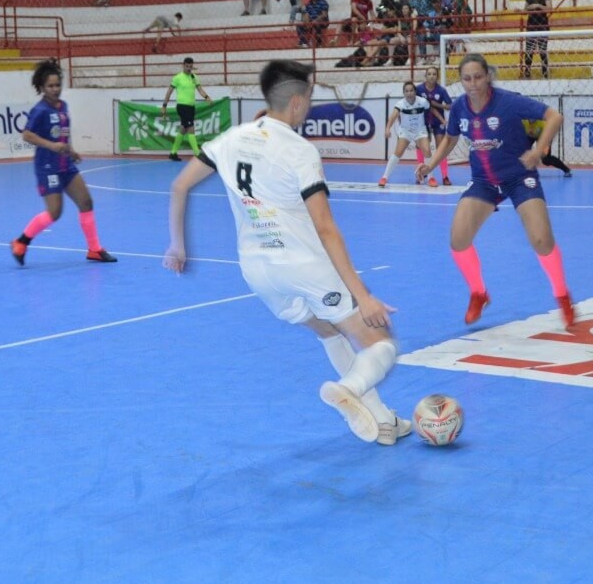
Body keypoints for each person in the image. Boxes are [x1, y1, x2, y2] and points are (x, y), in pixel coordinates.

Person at [164, 59, 411, 445]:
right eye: (309, 97)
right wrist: (363, 296)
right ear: (296, 102)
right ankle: (349, 387)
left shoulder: (230, 139)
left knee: (328, 329)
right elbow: (326, 228)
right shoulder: (300, 151)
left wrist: (177, 245)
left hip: (258, 272)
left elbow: (179, 187)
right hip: (303, 266)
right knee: (381, 340)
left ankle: (382, 422)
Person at [417, 53, 576, 327]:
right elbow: (451, 139)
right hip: (484, 181)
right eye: (467, 78)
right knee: (458, 238)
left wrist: (539, 149)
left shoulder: (509, 102)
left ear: (488, 76)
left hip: (519, 176)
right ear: (461, 81)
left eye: (478, 77)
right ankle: (479, 293)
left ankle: (562, 295)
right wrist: (431, 164)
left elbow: (554, 116)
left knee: (541, 240)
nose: (473, 83)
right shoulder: (459, 107)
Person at [10, 59, 118, 266]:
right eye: (50, 86)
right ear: (42, 88)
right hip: (47, 167)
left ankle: (95, 249)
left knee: (86, 202)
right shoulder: (40, 110)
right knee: (55, 213)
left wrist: (71, 150)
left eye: (57, 85)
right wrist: (52, 146)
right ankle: (21, 242)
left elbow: (62, 135)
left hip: (64, 164)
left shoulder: (63, 106)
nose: (55, 89)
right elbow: (27, 135)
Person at [379, 82, 436, 187]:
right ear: (404, 93)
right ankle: (384, 177)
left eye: (411, 90)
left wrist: (432, 126)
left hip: (420, 130)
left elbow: (430, 112)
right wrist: (387, 128)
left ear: (415, 92)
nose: (409, 93)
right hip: (406, 131)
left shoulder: (423, 102)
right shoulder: (400, 104)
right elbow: (393, 117)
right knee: (398, 152)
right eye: (407, 91)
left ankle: (431, 178)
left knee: (427, 151)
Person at [161, 56, 212, 161]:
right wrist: (164, 106)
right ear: (183, 65)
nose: (189, 68)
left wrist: (206, 97)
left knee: (183, 129)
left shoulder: (194, 77)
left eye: (190, 66)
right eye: (187, 66)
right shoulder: (177, 78)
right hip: (182, 106)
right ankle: (198, 154)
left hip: (191, 107)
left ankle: (173, 153)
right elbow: (169, 92)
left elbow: (200, 89)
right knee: (191, 129)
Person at [416, 65, 453, 186]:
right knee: (422, 147)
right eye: (429, 74)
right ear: (425, 76)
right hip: (422, 121)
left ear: (437, 76)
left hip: (438, 122)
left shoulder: (441, 90)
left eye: (434, 74)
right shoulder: (418, 89)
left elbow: (449, 105)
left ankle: (445, 176)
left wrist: (437, 104)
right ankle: (421, 173)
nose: (432, 76)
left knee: (441, 148)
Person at [522, 0, 551, 79]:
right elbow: (525, 10)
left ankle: (544, 72)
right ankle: (527, 71)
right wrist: (530, 7)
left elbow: (549, 9)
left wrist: (538, 5)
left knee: (543, 50)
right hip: (531, 25)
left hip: (542, 24)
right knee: (529, 50)